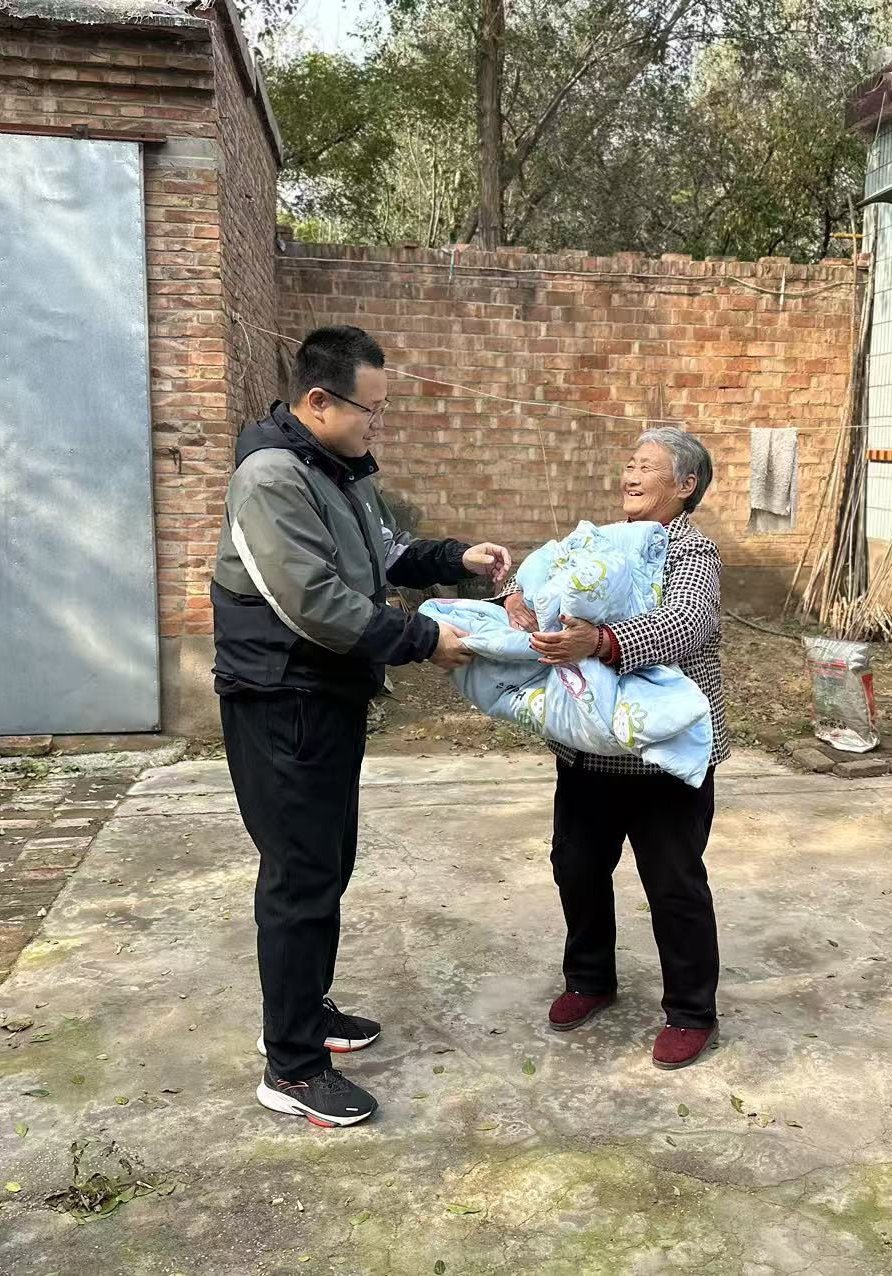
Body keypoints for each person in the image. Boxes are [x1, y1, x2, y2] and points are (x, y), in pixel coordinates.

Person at [211, 325, 512, 1127]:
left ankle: (306, 1011)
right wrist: (423, 639)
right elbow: (314, 601)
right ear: (319, 401)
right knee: (299, 878)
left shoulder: (336, 472)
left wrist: (456, 558)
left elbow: (382, 554)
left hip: (327, 698)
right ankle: (291, 1066)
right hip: (282, 700)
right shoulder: (271, 480)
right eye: (370, 409)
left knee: (328, 863)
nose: (379, 423)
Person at [504, 427, 727, 1070]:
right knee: (575, 865)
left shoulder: (693, 550)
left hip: (662, 753)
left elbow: (684, 624)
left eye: (647, 466)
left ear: (685, 485)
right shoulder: (603, 540)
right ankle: (590, 979)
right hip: (590, 746)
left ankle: (691, 1011)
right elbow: (545, 574)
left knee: (673, 882)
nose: (630, 474)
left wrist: (601, 642)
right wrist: (516, 595)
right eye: (629, 463)